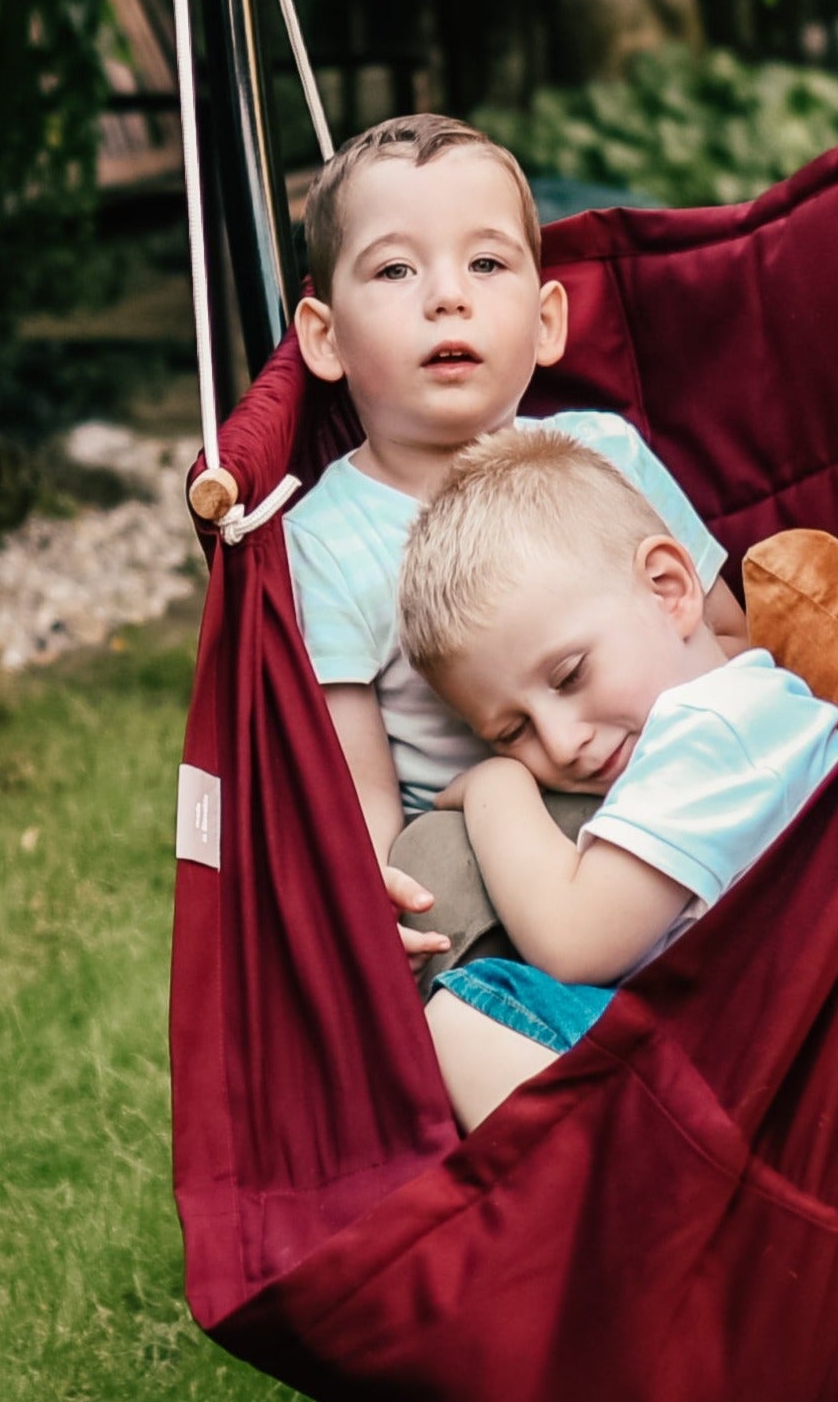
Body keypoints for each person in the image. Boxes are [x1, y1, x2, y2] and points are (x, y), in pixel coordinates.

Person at [283, 114, 748, 971]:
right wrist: (375, 896)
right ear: (324, 336)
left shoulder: (602, 452)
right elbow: (360, 791)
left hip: (668, 782)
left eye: (485, 262)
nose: (446, 296)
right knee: (428, 878)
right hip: (482, 857)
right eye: (394, 269)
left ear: (545, 321)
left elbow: (727, 633)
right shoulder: (324, 539)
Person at [400, 427, 838, 1128]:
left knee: (466, 1010)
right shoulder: (737, 722)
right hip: (761, 1048)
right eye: (511, 732)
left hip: (761, 1070)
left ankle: (602, 1205)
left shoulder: (719, 725)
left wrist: (495, 785)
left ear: (670, 589)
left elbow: (576, 940)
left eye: (569, 674)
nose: (561, 740)